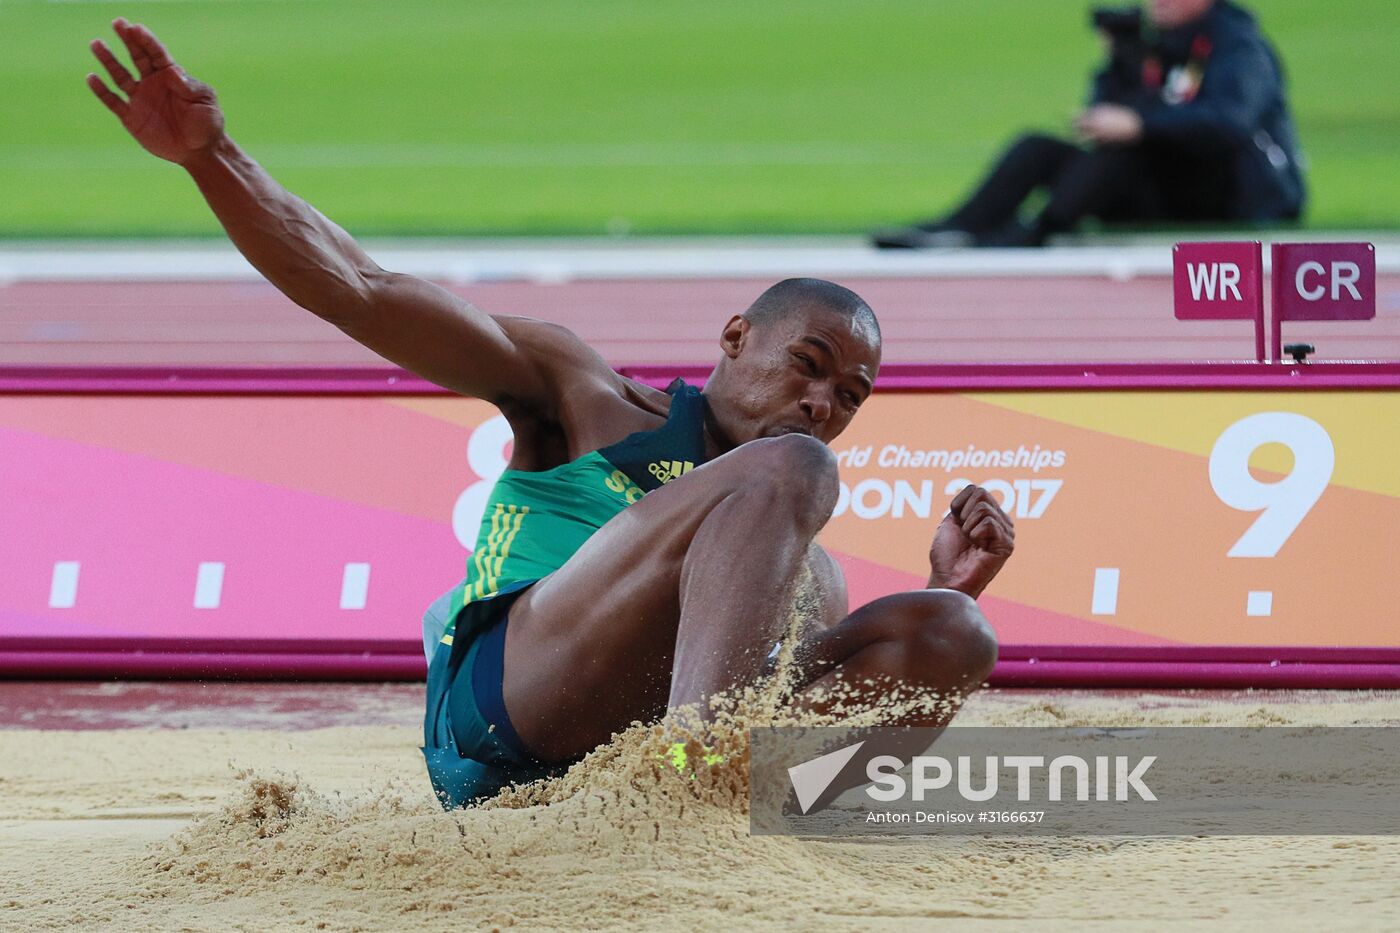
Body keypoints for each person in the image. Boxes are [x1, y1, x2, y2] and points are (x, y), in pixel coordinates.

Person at [87, 19, 1015, 808]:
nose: (822, 403)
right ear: (736, 336)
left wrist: (951, 587)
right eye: (809, 366)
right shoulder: (586, 395)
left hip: (616, 773)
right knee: (797, 474)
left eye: (850, 396)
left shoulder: (802, 565)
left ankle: (747, 810)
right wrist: (213, 158)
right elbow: (361, 289)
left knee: (951, 631)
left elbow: (804, 702)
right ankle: (696, 783)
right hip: (499, 724)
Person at [873, 0, 1305, 249]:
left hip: (1239, 196)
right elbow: (1109, 115)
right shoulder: (1158, 44)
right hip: (1170, 182)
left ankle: (1037, 231)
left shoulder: (1238, 46)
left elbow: (1229, 124)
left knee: (1122, 152)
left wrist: (1139, 124)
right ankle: (959, 227)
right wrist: (1122, 65)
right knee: (1037, 147)